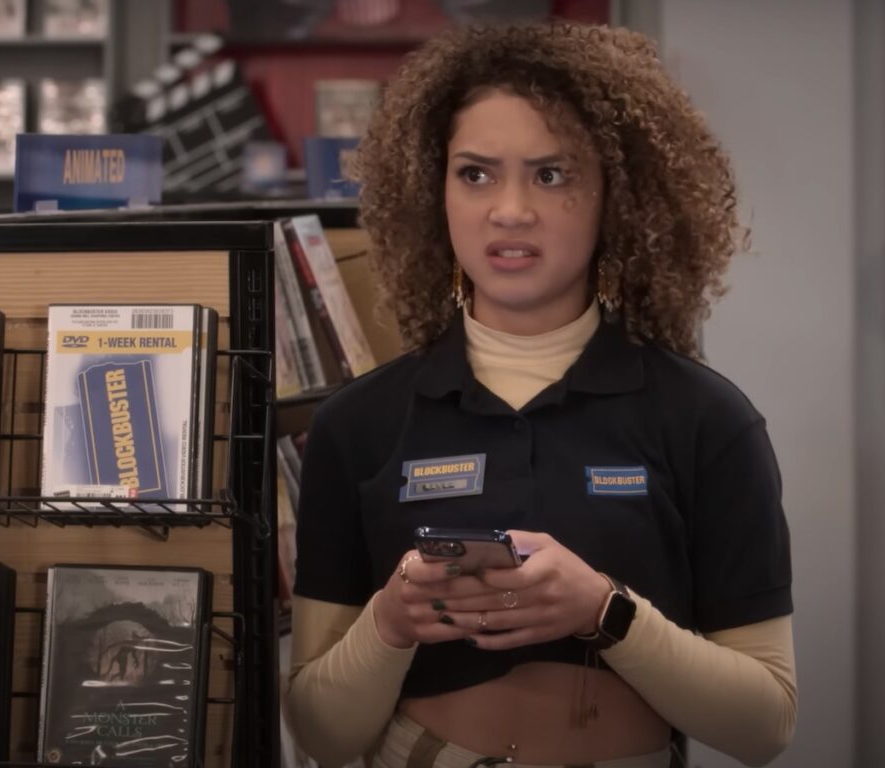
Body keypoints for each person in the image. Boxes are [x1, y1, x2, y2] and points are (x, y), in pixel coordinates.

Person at [283, 20, 797, 768]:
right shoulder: (357, 423)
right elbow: (324, 736)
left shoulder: (708, 420)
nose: (510, 210)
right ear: (435, 191)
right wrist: (390, 622)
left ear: (614, 197)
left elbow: (766, 726)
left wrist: (605, 612)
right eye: (476, 173)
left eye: (552, 174)